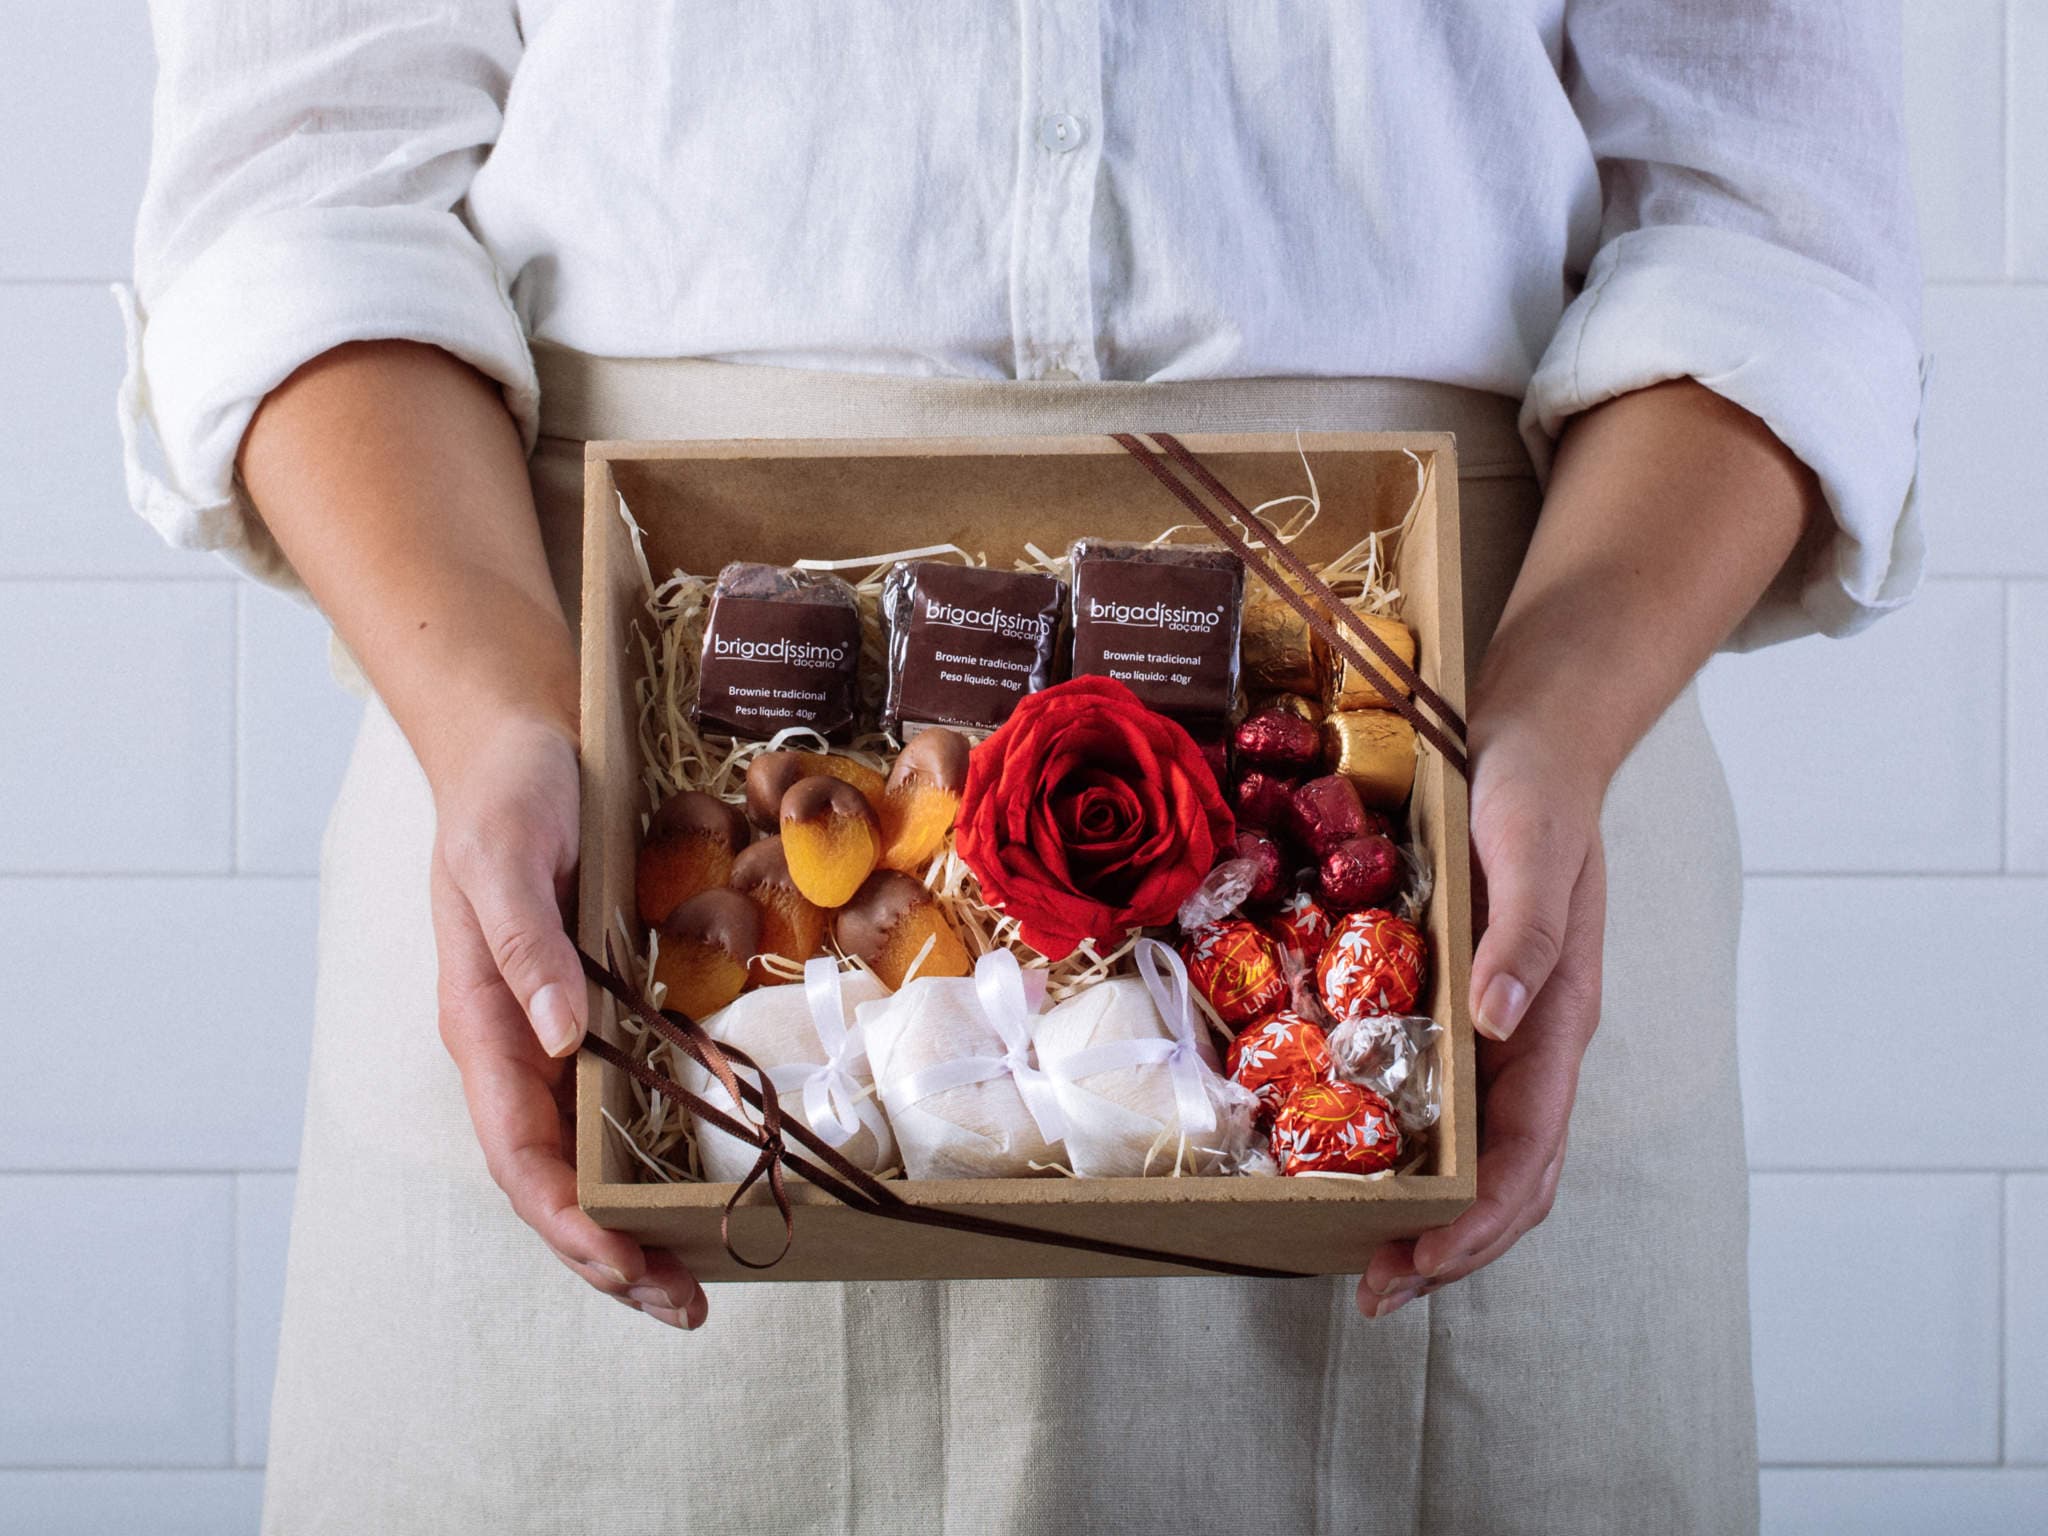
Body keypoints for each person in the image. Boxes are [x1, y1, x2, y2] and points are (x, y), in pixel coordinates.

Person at [121, 3, 1922, 1531]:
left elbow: (1765, 217)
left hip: (1476, 734)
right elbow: (307, 187)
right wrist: (500, 710)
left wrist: (1560, 699)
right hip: (590, 729)